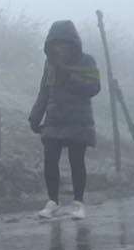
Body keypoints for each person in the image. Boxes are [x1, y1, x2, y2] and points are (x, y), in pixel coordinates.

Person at [27, 19, 102, 220]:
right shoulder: (50, 64)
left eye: (64, 43)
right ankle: (53, 202)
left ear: (72, 43)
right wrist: (35, 117)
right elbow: (44, 91)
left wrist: (69, 78)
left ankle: (78, 203)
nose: (60, 48)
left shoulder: (87, 61)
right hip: (54, 119)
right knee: (50, 161)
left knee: (76, 161)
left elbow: (93, 87)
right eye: (56, 44)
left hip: (79, 120)